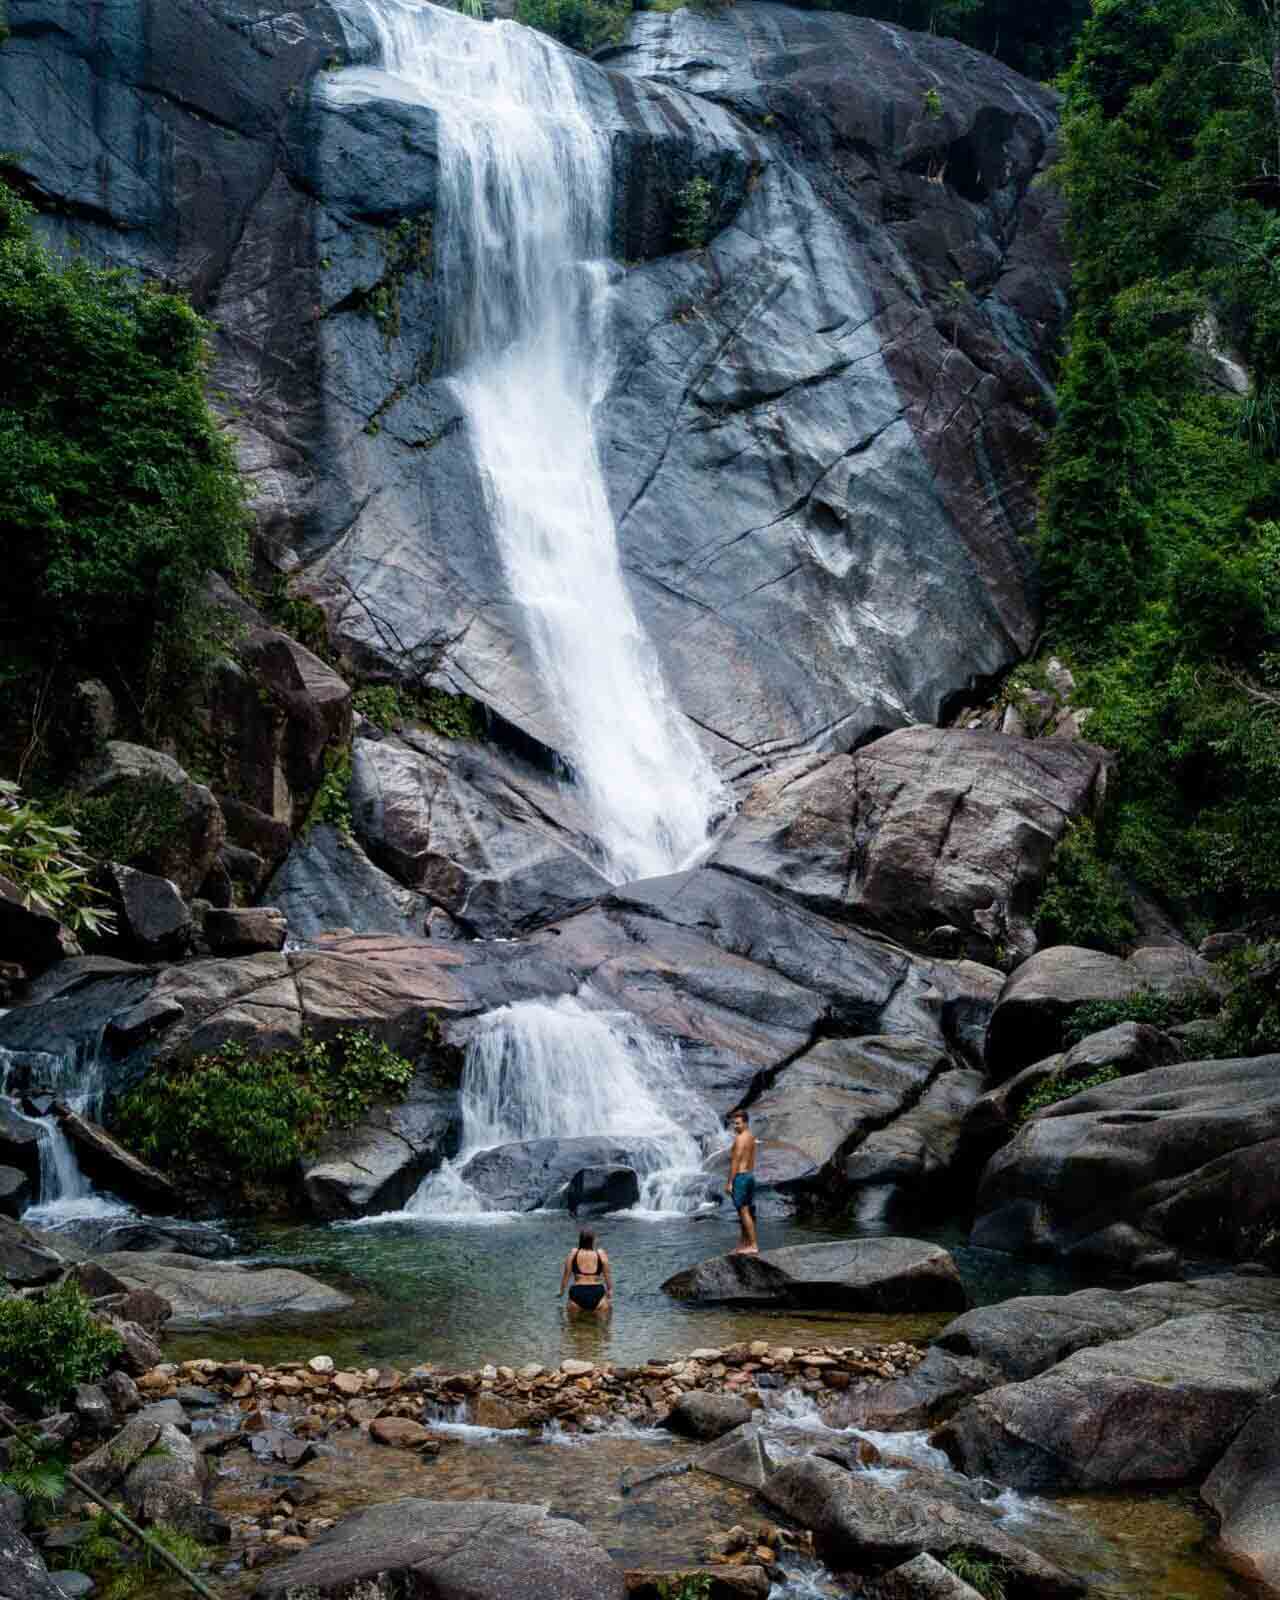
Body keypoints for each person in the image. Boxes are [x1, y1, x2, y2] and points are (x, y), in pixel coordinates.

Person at [726, 1108, 758, 1255]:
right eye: (734, 1123)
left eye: (738, 1123)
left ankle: (752, 1244)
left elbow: (736, 1161)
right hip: (749, 1176)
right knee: (745, 1211)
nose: (735, 1126)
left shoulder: (740, 1139)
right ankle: (744, 1243)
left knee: (743, 1212)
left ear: (745, 1123)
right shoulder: (750, 1136)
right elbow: (751, 1158)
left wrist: (730, 1182)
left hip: (740, 1177)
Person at [558, 1228, 613, 1315]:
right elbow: (608, 1276)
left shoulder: (574, 1253)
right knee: (604, 1326)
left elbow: (566, 1275)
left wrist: (561, 1292)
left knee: (573, 1326)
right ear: (593, 1240)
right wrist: (610, 1290)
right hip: (597, 1292)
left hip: (577, 1292)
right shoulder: (600, 1253)